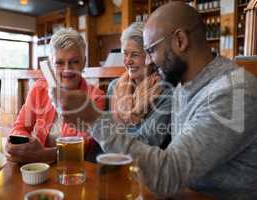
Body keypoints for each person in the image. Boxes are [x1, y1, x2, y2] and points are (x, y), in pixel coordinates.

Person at [52, 2, 257, 200]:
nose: (149, 61)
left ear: (180, 41)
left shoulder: (233, 92)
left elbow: (168, 174)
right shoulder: (182, 86)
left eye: (150, 50)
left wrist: (94, 119)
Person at [5, 28, 105, 164]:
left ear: (83, 62)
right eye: (59, 63)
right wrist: (19, 144)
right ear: (51, 64)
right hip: (37, 169)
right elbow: (21, 127)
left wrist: (44, 155)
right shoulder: (39, 89)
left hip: (73, 170)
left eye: (74, 62)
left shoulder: (96, 97)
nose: (67, 69)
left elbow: (83, 146)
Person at [107, 22, 171, 147]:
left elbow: (148, 140)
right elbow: (106, 129)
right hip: (115, 160)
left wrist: (109, 138)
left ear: (150, 56)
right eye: (125, 54)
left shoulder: (165, 91)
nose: (127, 61)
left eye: (134, 55)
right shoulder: (114, 87)